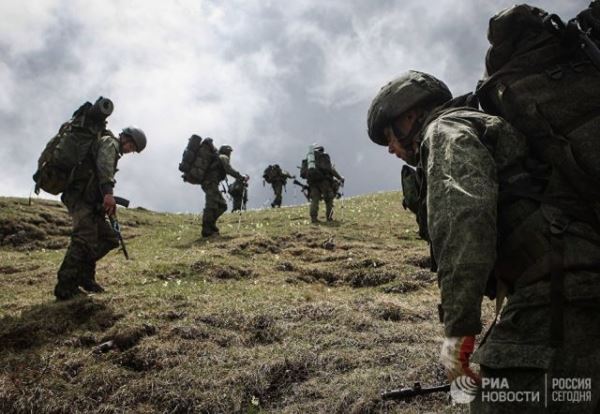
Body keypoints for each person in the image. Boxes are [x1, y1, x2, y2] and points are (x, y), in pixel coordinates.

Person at [367, 70, 600, 412]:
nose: (390, 148)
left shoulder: (444, 130)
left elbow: (464, 217)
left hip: (559, 296)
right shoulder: (483, 124)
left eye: (389, 134)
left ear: (410, 116)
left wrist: (458, 331)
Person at [55, 126, 146, 300]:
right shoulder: (110, 143)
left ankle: (85, 277)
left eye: (133, 149)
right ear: (126, 138)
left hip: (92, 202)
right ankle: (65, 286)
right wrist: (108, 194)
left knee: (109, 238)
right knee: (83, 239)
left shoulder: (112, 147)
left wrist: (104, 198)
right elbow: (104, 168)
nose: (130, 150)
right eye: (132, 146)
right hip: (81, 198)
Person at [201, 145, 248, 237]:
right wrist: (241, 176)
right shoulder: (223, 157)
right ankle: (207, 230)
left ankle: (210, 227)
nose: (230, 154)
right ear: (226, 152)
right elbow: (229, 170)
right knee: (213, 206)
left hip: (210, 183)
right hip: (210, 183)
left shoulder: (218, 158)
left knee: (219, 205)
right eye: (229, 152)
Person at [302, 146, 344, 223]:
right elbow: (331, 169)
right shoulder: (324, 156)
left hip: (313, 183)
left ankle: (314, 219)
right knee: (328, 200)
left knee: (314, 200)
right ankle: (329, 218)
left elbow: (303, 174)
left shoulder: (309, 160)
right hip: (324, 182)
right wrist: (340, 178)